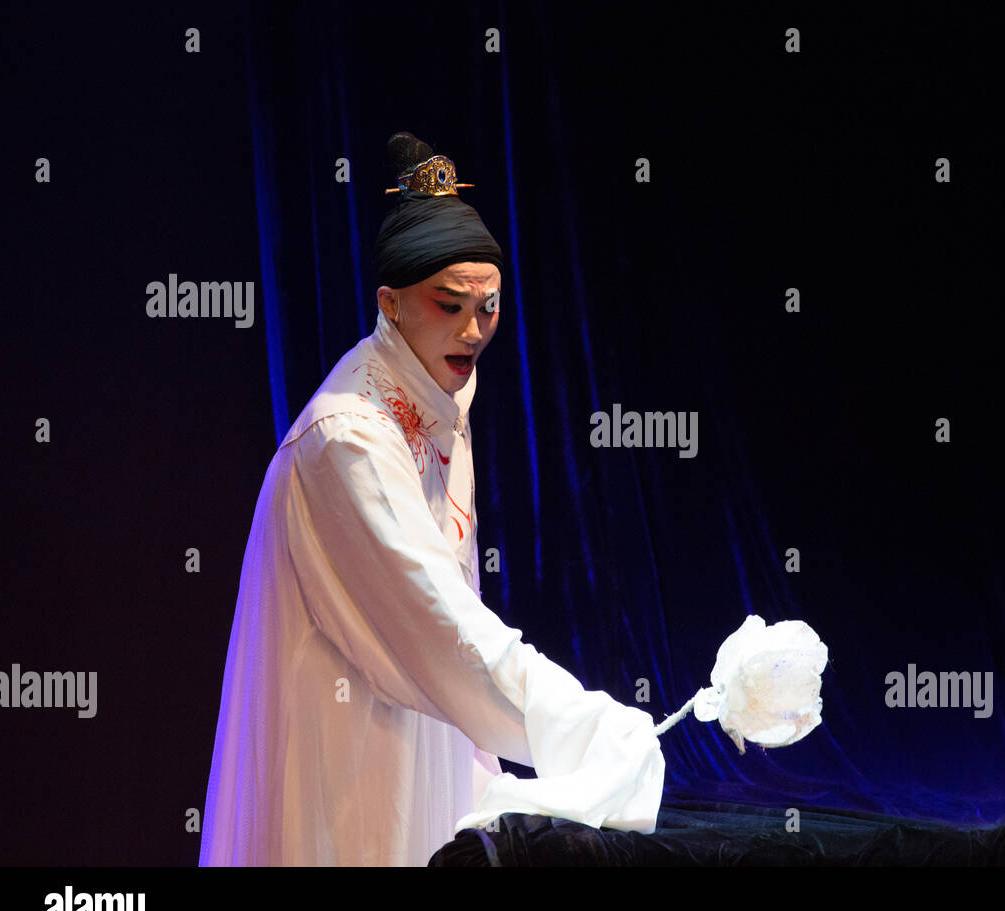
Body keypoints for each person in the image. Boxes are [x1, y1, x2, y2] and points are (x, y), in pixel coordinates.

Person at [198, 132, 664, 866]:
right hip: (351, 739)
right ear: (390, 302)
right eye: (450, 305)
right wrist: (580, 724)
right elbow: (437, 623)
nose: (475, 330)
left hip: (423, 712)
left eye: (490, 307)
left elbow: (453, 610)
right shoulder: (347, 440)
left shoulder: (440, 392)